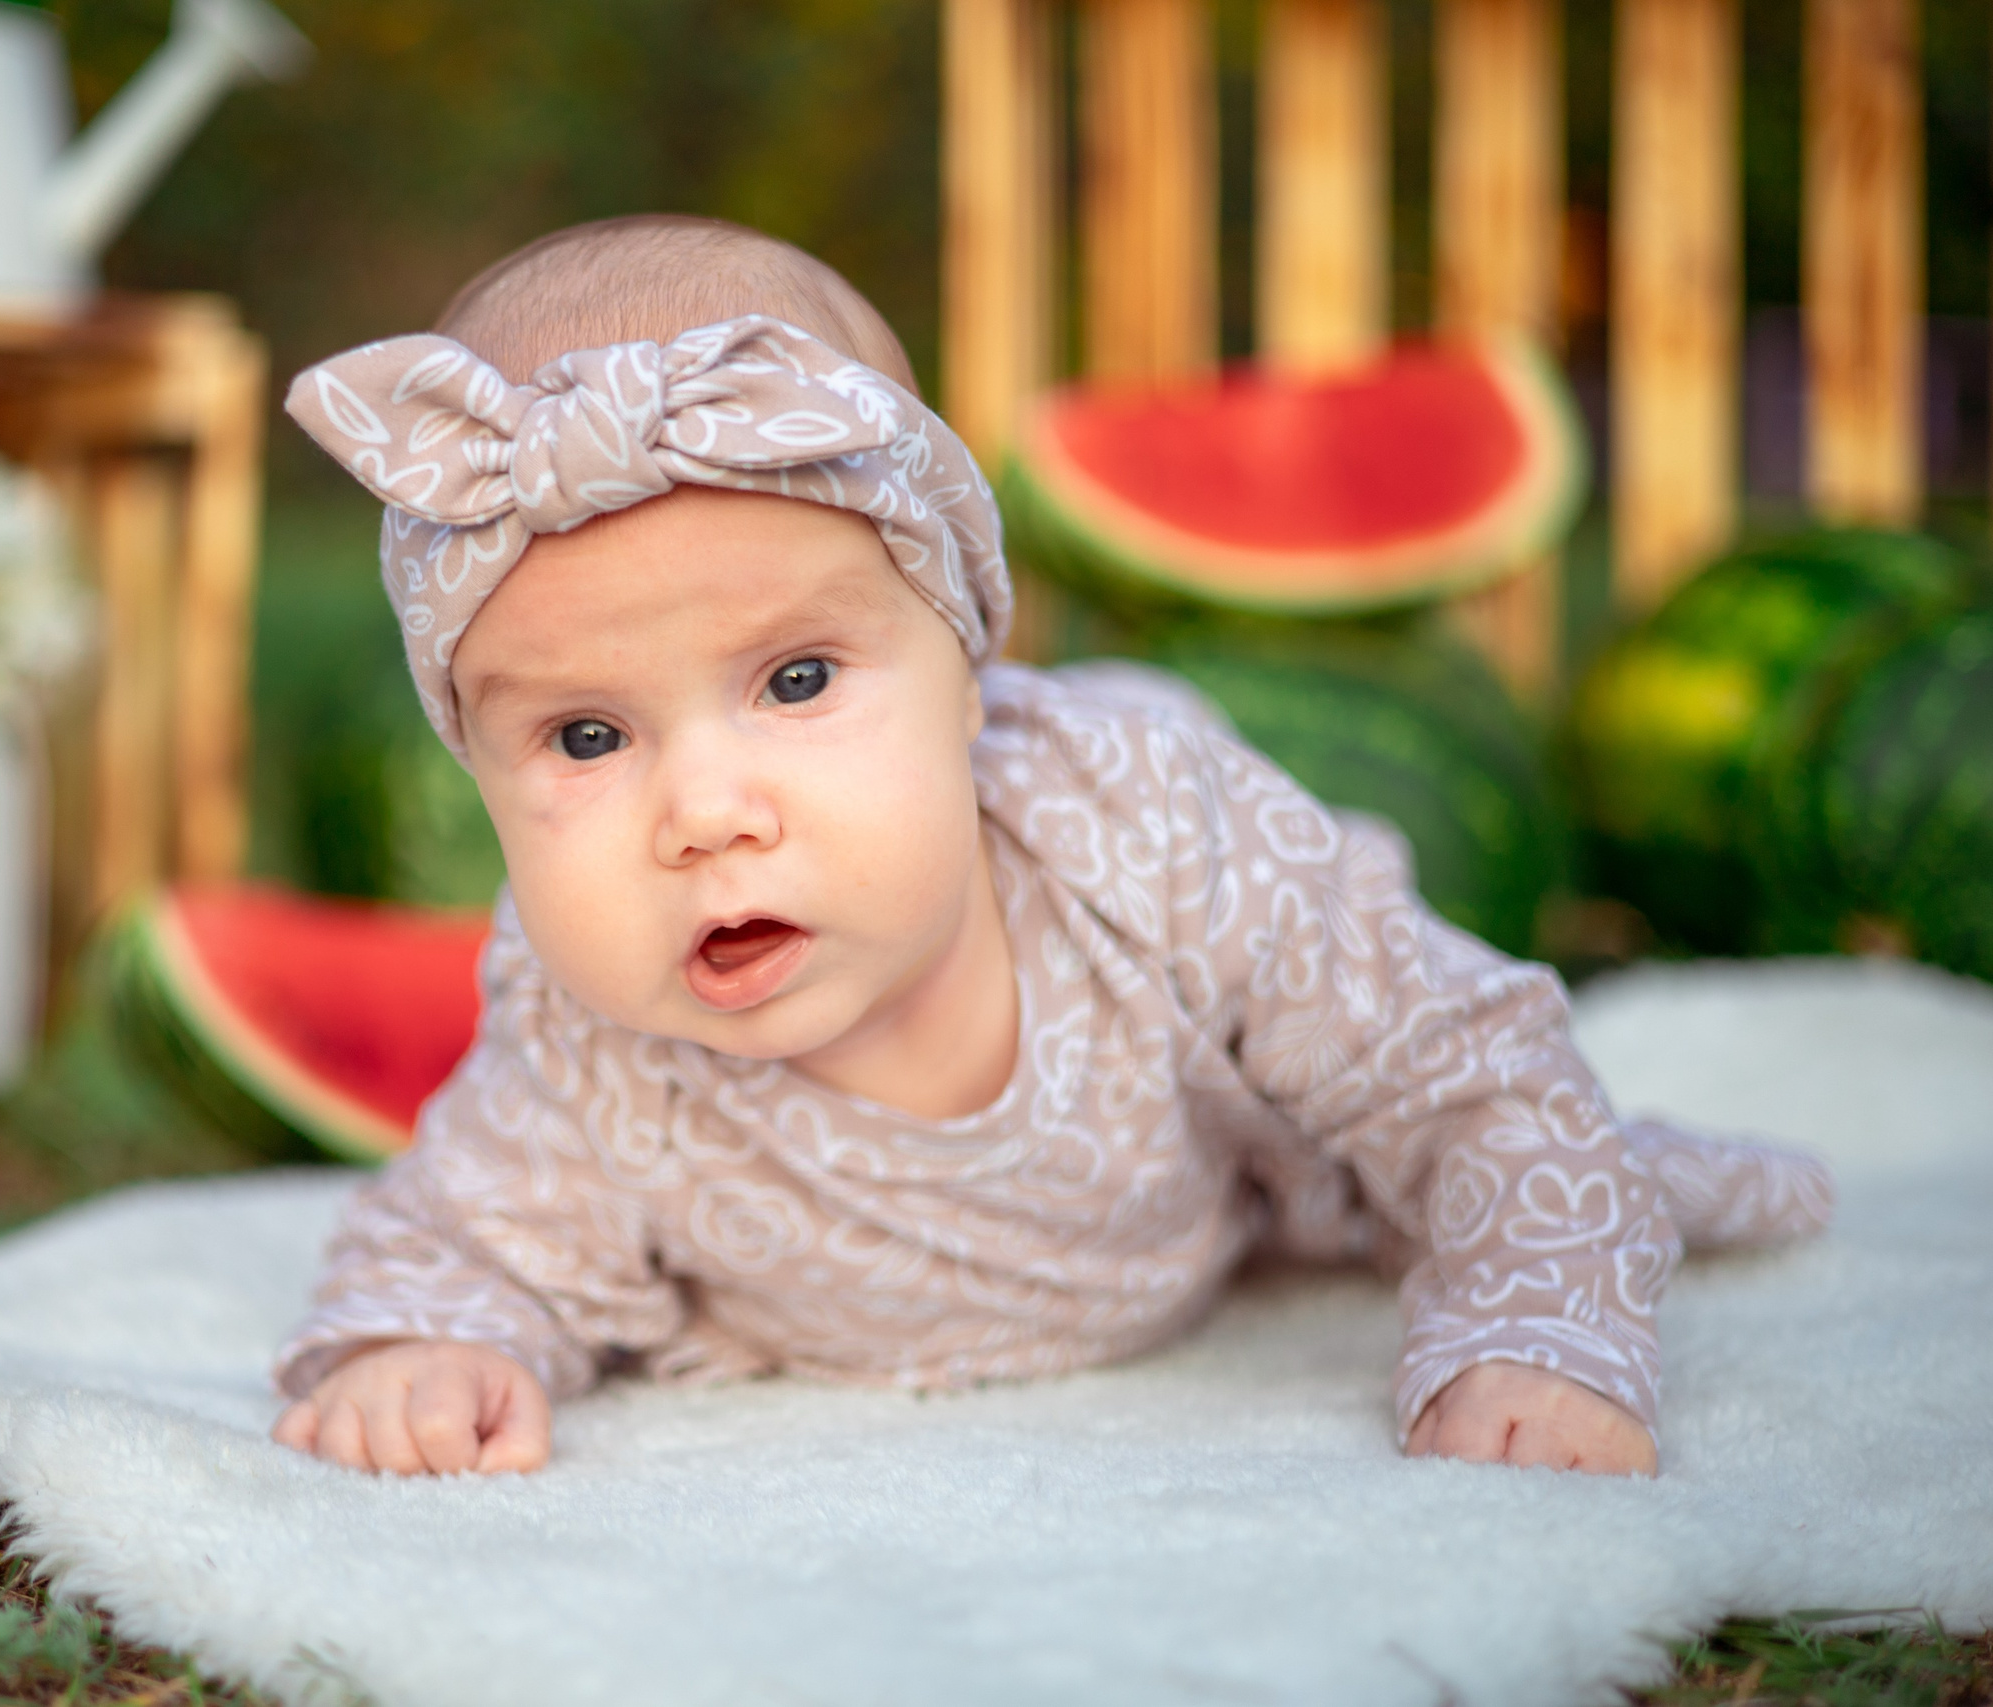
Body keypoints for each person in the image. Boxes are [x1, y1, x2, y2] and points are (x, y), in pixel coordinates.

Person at [267, 214, 1831, 1480]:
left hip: (1250, 1213)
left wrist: (1530, 1331)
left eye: (797, 682)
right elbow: (467, 1237)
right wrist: (424, 1353)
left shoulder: (1139, 824)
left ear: (972, 670)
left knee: (1569, 1175)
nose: (705, 814)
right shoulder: (583, 1022)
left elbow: (1459, 1071)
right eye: (587, 737)